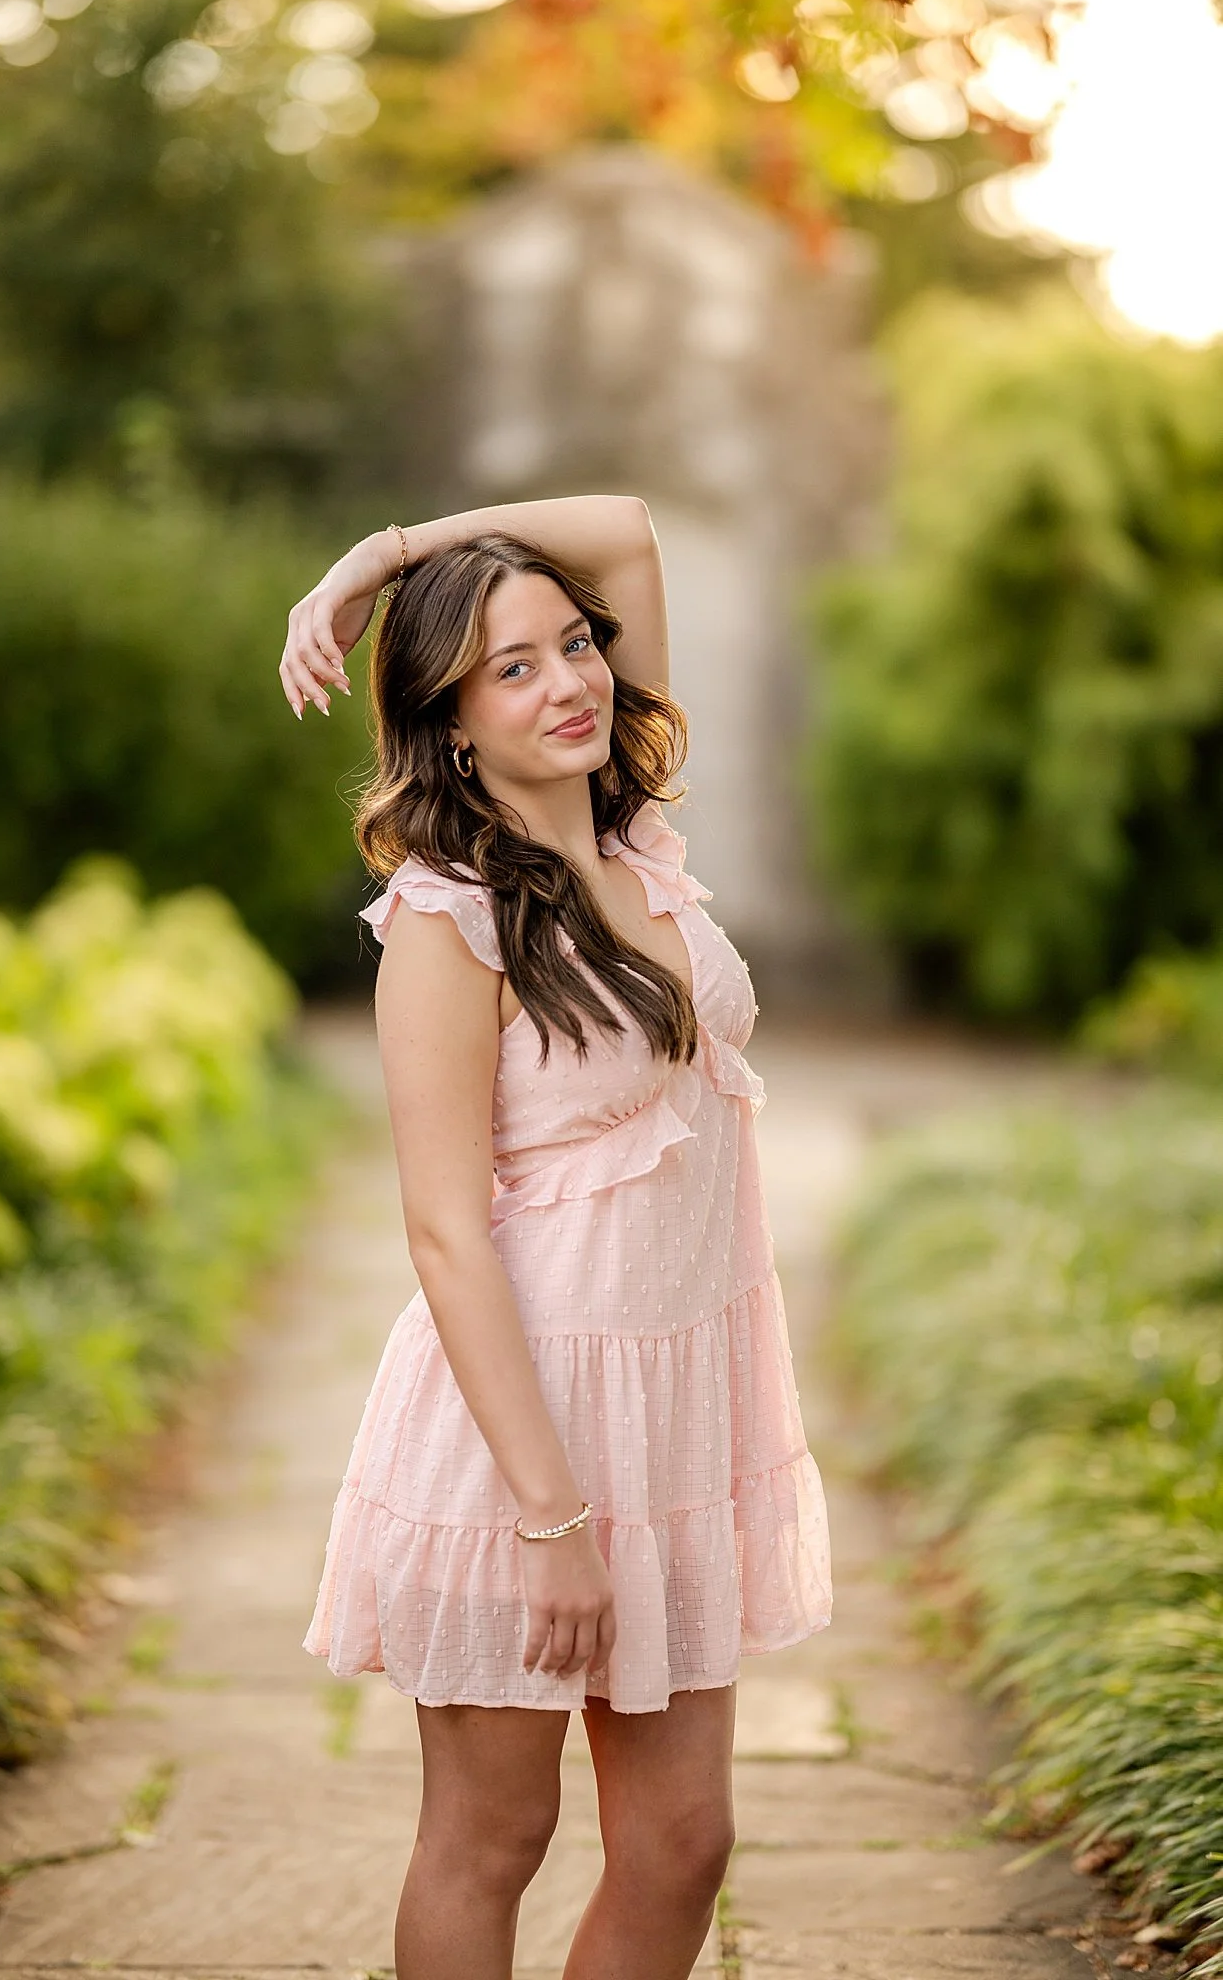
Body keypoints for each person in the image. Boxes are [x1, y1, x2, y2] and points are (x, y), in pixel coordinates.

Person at [278, 496, 832, 1980]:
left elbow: (625, 523)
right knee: (492, 1838)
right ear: (450, 724)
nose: (571, 679)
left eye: (574, 643)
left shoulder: (637, 844)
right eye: (511, 668)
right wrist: (554, 1519)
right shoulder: (448, 921)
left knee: (680, 1843)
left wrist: (381, 555)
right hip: (521, 1444)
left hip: (675, 1418)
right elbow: (446, 1236)